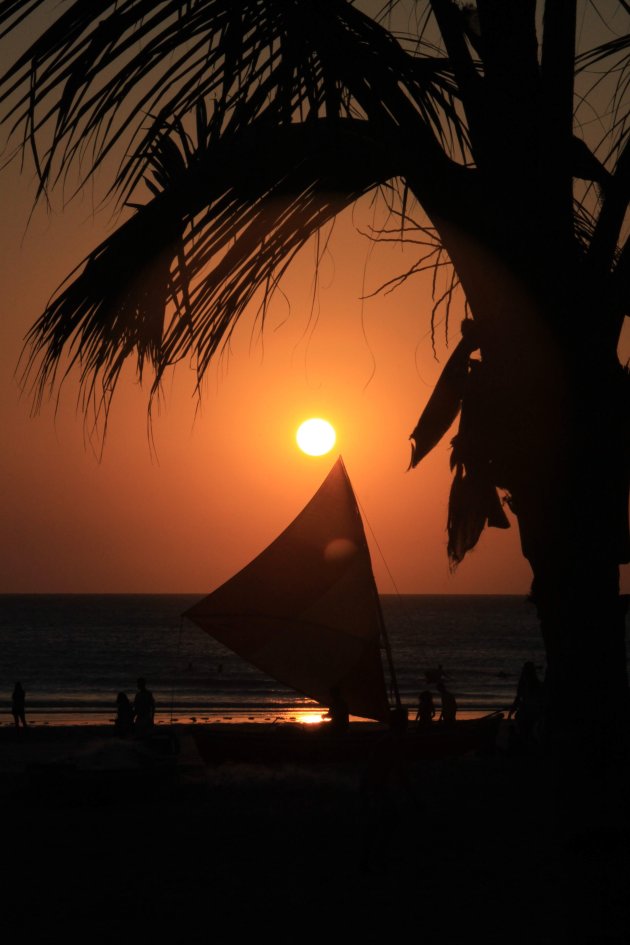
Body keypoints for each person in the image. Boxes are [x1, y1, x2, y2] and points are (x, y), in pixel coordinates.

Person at [508, 661, 544, 744]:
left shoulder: (536, 685)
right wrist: (511, 712)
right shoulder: (523, 684)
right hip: (526, 711)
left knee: (526, 728)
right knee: (524, 727)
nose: (525, 673)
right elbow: (518, 698)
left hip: (531, 711)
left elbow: (536, 701)